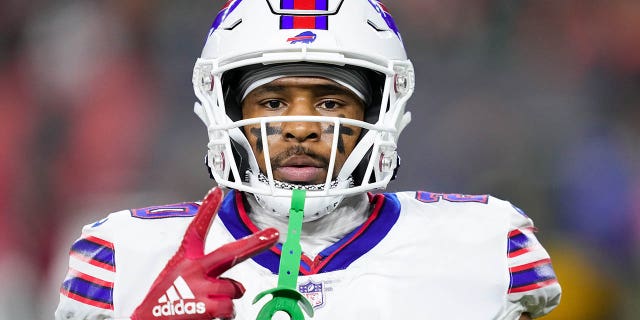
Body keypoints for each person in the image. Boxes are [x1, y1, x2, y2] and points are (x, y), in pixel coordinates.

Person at [55, 0, 561, 319]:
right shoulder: (125, 256)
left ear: (381, 110)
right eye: (272, 102)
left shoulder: (488, 247)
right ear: (223, 109)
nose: (301, 126)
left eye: (331, 102)